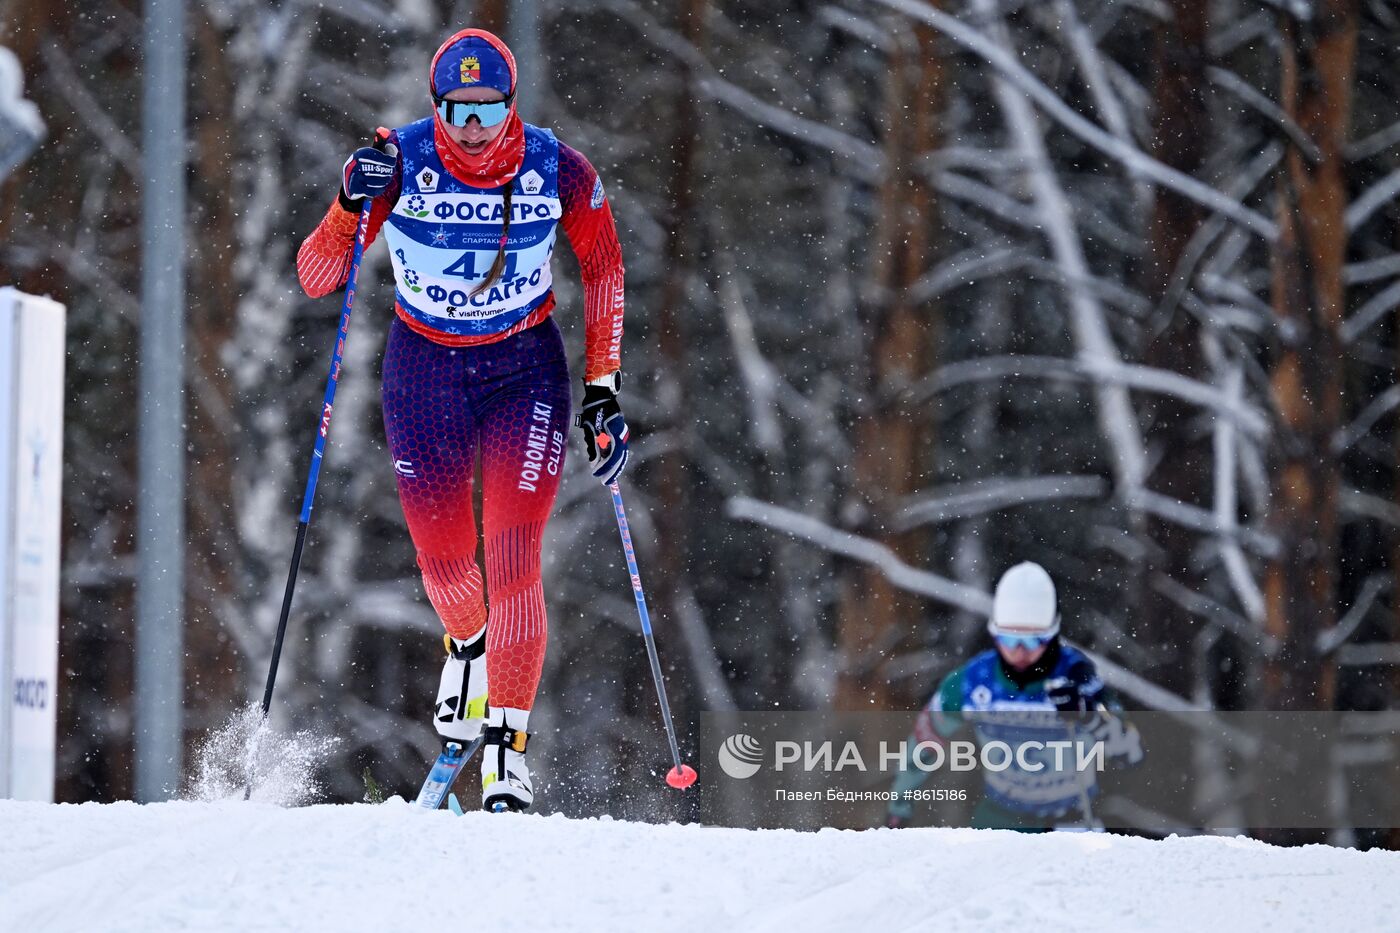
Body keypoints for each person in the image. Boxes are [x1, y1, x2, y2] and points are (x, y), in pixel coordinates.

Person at [296, 28, 631, 813]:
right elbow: (316, 277)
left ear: (512, 104)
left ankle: (508, 750)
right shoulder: (398, 161)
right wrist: (350, 201)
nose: (473, 129)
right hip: (425, 372)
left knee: (513, 555)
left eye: (488, 110)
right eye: (457, 111)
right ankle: (470, 646)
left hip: (526, 373)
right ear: (435, 106)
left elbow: (605, 264)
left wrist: (604, 389)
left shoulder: (559, 168)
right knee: (448, 568)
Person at [886, 562, 1141, 831]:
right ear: (994, 634)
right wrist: (899, 805)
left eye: (1033, 640)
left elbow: (1130, 753)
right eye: (1009, 639)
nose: (1020, 652)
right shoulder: (974, 681)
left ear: (1052, 634)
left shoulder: (1078, 677)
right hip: (1001, 820)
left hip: (1070, 821)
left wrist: (1089, 715)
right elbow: (925, 742)